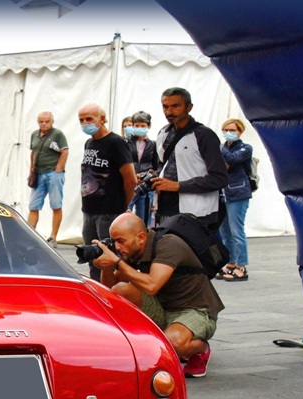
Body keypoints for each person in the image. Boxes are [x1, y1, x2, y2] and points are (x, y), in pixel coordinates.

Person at [90, 213, 223, 377]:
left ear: (140, 237)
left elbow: (152, 285)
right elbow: (109, 288)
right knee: (121, 291)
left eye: (120, 241)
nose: (116, 247)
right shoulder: (134, 249)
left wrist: (116, 262)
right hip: (162, 305)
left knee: (173, 343)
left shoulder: (169, 245)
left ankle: (201, 349)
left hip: (195, 309)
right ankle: (139, 345)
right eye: (113, 241)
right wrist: (106, 266)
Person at [151, 88, 228, 228]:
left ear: (189, 107)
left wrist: (178, 186)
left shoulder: (204, 135)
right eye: (165, 106)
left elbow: (220, 178)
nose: (169, 112)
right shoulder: (163, 133)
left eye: (175, 106)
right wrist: (154, 176)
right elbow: (165, 166)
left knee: (192, 250)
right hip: (164, 208)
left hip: (197, 213)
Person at [78, 103, 137, 283]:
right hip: (89, 210)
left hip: (109, 211)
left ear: (102, 119)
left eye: (89, 119)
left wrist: (123, 205)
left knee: (109, 257)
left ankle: (113, 294)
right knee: (92, 257)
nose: (85, 123)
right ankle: (97, 290)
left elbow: (130, 179)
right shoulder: (89, 143)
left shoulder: (116, 143)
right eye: (81, 120)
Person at [218, 118, 253, 281]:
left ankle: (242, 265)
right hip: (223, 193)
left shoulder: (246, 148)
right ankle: (231, 262)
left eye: (233, 130)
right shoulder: (223, 148)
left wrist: (221, 150)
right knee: (225, 231)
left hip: (239, 193)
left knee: (236, 230)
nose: (229, 133)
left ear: (240, 132)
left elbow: (231, 160)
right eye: (226, 130)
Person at [27, 111, 68, 246]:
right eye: (41, 121)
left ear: (52, 122)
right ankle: (29, 235)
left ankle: (53, 237)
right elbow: (33, 152)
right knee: (33, 205)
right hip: (38, 173)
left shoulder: (57, 134)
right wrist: (31, 170)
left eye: (46, 121)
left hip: (52, 173)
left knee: (56, 204)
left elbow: (64, 151)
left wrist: (58, 170)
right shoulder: (35, 134)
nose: (44, 124)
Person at [129, 111, 159, 225]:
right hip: (129, 184)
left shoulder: (153, 144)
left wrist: (148, 175)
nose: (139, 128)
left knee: (143, 219)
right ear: (133, 126)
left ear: (149, 126)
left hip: (145, 187)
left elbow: (156, 166)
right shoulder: (126, 142)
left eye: (143, 126)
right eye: (137, 126)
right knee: (124, 214)